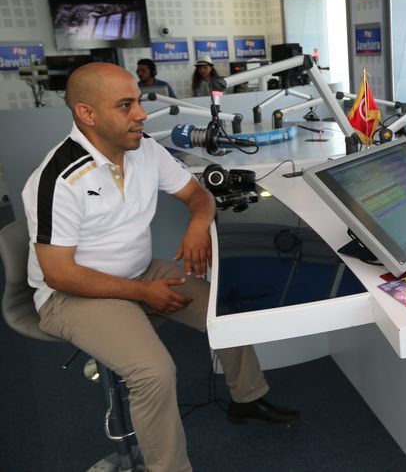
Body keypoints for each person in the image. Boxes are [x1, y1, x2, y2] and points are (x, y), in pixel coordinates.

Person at [22, 62, 300, 472]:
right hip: (72, 294)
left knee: (227, 309)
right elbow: (59, 273)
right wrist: (142, 293)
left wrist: (198, 224)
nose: (140, 114)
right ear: (87, 114)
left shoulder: (145, 149)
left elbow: (198, 195)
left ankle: (247, 399)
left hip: (139, 273)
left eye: (138, 102)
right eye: (125, 105)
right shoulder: (57, 179)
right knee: (154, 373)